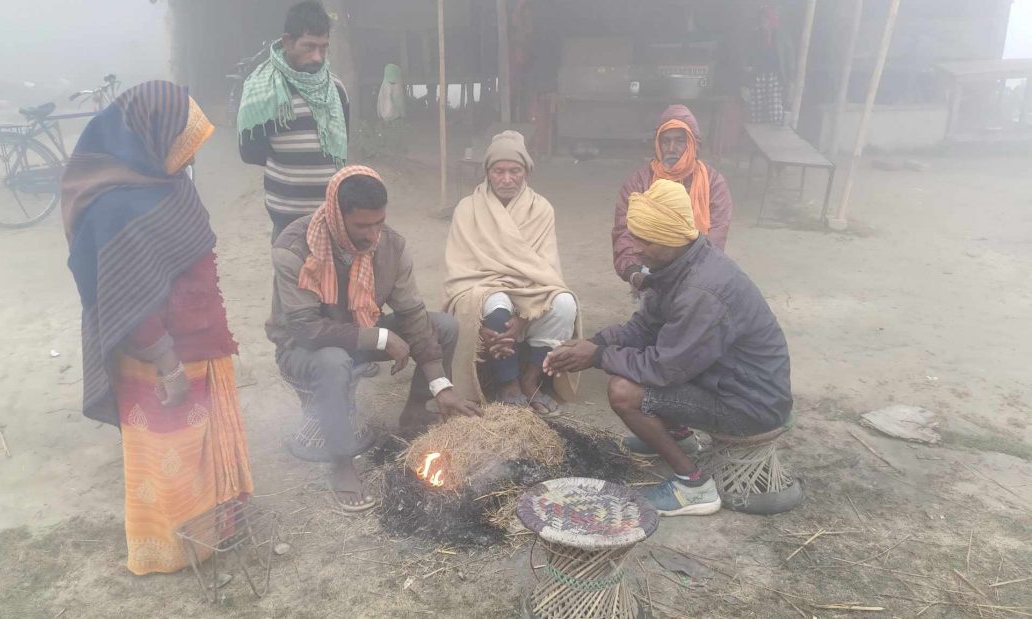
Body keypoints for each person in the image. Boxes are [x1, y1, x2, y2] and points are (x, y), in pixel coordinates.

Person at [62, 81, 255, 574]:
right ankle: (171, 547)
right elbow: (123, 296)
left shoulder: (165, 182)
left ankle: (214, 530)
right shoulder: (113, 207)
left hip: (201, 338)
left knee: (204, 444)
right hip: (158, 354)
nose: (190, 156)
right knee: (172, 451)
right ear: (151, 134)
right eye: (183, 143)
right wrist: (167, 363)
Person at [545, 179, 792, 517]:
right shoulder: (676, 265)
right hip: (726, 382)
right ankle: (677, 434)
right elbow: (644, 327)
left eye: (646, 240)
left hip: (751, 404)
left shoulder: (701, 290)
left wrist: (599, 357)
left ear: (672, 237)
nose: (636, 249)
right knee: (630, 366)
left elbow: (664, 368)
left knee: (624, 391)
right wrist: (596, 342)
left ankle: (694, 485)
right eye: (635, 237)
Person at [268, 165, 480, 512]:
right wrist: (380, 337)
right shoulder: (293, 248)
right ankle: (341, 463)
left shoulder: (391, 245)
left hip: (361, 336)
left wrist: (441, 385)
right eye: (362, 226)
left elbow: (412, 314)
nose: (372, 235)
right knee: (334, 358)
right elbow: (306, 329)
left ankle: (414, 413)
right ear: (337, 216)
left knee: (443, 326)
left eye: (379, 222)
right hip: (302, 349)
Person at [444, 131, 580, 416]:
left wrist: (522, 319)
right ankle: (508, 384)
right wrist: (493, 315)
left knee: (565, 303)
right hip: (484, 289)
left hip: (531, 293)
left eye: (514, 171)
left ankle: (531, 379)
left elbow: (546, 270)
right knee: (495, 302)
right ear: (487, 173)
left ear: (526, 172)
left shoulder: (541, 209)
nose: (507, 179)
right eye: (499, 171)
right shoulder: (467, 209)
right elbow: (460, 270)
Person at [238, 1, 349, 240]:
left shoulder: (336, 90)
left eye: (323, 47)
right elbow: (250, 152)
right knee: (289, 264)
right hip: (286, 219)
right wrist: (292, 163)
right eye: (309, 46)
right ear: (287, 42)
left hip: (331, 215)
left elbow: (341, 147)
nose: (317, 57)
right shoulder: (263, 90)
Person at [613, 105, 734, 292]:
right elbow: (625, 231)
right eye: (666, 141)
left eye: (679, 140)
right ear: (658, 144)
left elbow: (715, 237)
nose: (671, 148)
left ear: (692, 143)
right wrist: (634, 273)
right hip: (651, 266)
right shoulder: (639, 182)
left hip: (696, 270)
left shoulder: (713, 183)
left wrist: (688, 275)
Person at [744, 5, 794, 125]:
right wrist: (748, 69)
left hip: (775, 76)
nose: (763, 22)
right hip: (758, 76)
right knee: (757, 109)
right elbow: (749, 55)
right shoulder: (755, 36)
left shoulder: (781, 36)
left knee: (775, 108)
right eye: (761, 19)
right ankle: (758, 131)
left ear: (771, 20)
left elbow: (789, 58)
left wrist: (790, 78)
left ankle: (775, 130)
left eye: (765, 19)